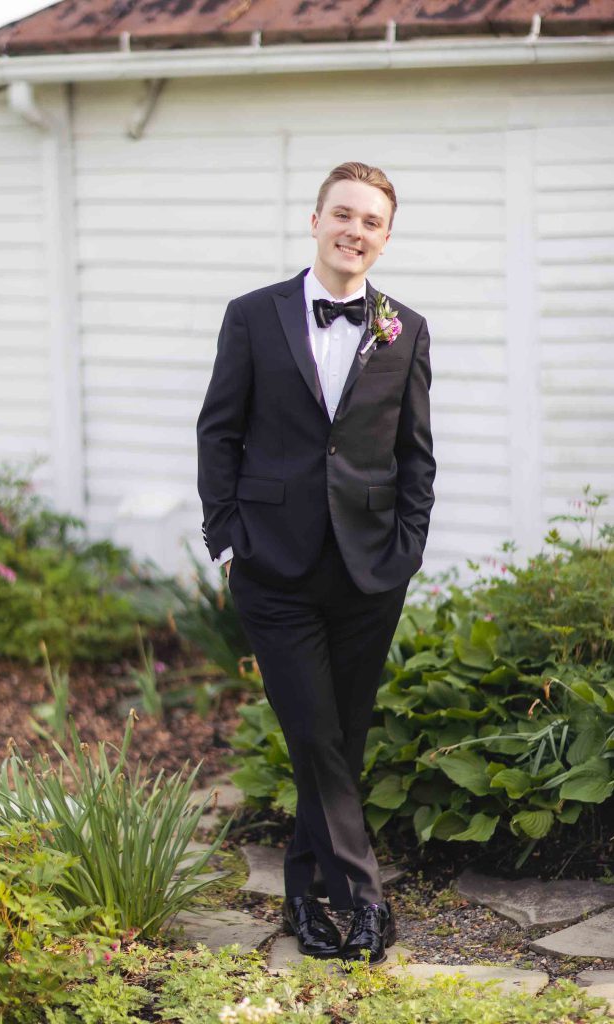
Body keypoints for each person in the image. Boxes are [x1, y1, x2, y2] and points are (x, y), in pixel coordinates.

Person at [196, 160, 436, 964]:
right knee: (312, 731)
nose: (354, 232)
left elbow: (414, 455)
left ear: (385, 236)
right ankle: (364, 901)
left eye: (371, 222)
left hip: (370, 569)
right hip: (273, 565)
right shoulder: (252, 316)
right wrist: (227, 536)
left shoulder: (405, 327)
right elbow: (218, 432)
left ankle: (304, 897)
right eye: (343, 215)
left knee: (337, 738)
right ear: (314, 220)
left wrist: (407, 546)